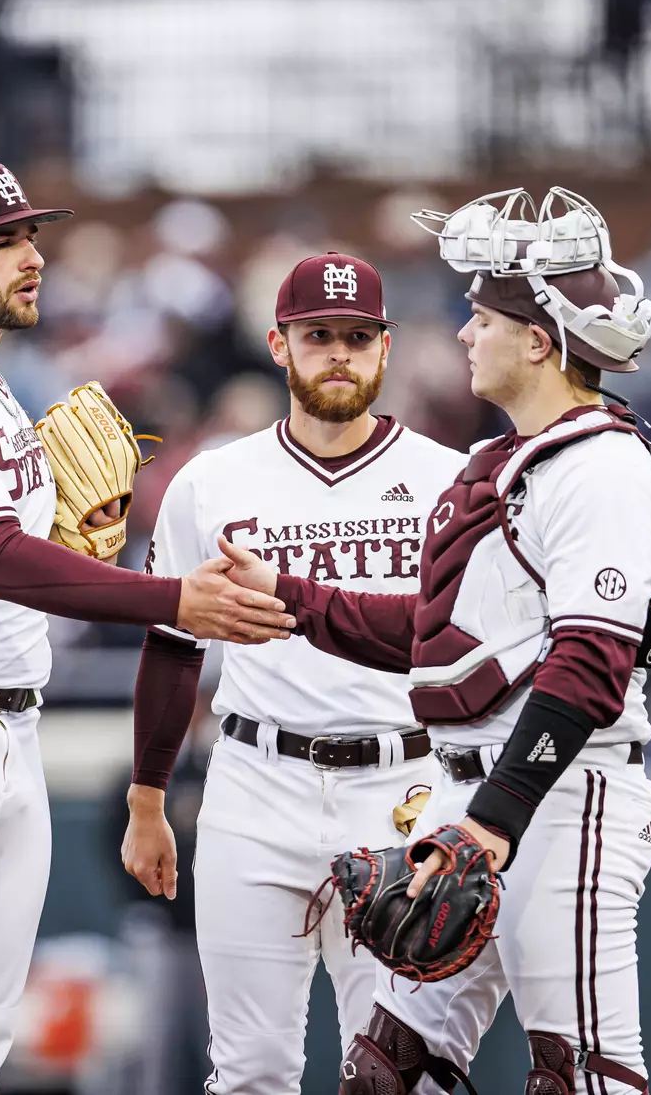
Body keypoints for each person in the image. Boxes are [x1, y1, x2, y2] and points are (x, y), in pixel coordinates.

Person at [0, 156, 295, 1094]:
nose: (29, 255)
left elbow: (18, 550)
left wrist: (75, 543)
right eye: (0, 241)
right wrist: (169, 599)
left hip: (4, 716)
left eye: (31, 236)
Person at [218, 188, 651, 1095]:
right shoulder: (507, 462)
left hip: (556, 800)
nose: (464, 332)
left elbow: (589, 669)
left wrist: (490, 824)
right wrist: (289, 597)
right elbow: (433, 641)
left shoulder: (598, 466)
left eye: (481, 314)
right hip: (478, 808)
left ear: (538, 338)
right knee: (387, 1072)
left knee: (580, 1073)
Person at [121, 252, 464, 1094]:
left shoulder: (446, 481)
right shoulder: (210, 481)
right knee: (249, 1070)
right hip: (254, 781)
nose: (338, 355)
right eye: (318, 337)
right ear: (279, 346)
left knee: (393, 1073)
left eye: (356, 337)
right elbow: (171, 644)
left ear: (385, 349)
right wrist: (146, 798)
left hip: (401, 782)